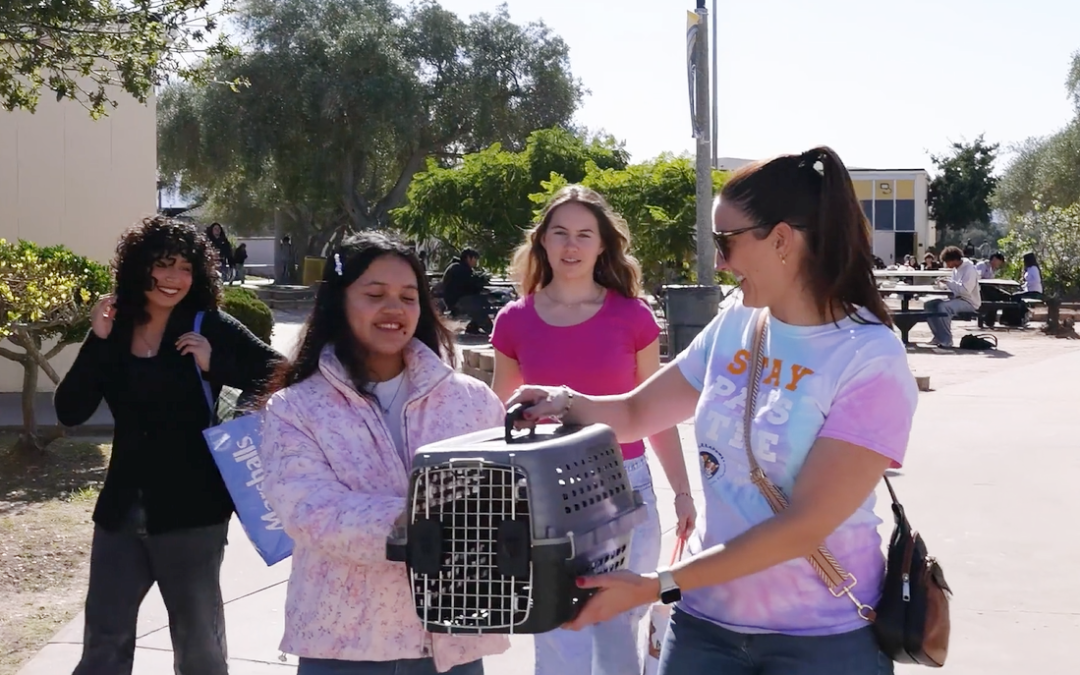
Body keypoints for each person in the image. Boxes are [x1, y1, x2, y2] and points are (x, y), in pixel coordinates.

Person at [506, 147, 917, 674]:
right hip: (705, 629)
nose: (719, 262)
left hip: (821, 638)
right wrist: (564, 402)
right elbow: (636, 412)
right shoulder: (736, 324)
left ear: (782, 239)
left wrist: (658, 585)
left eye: (726, 242)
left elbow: (804, 526)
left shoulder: (869, 357)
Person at [259, 232, 510, 675]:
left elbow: (502, 500)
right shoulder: (295, 408)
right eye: (375, 294)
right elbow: (309, 510)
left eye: (408, 297)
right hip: (345, 644)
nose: (394, 309)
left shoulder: (471, 400)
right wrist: (422, 520)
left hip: (451, 639)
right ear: (339, 301)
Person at [55, 216, 284, 675]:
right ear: (140, 269)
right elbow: (69, 410)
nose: (173, 279)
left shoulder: (209, 325)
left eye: (184, 268)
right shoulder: (115, 330)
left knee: (198, 648)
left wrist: (215, 364)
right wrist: (95, 341)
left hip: (193, 513)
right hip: (120, 512)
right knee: (104, 643)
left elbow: (280, 371)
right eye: (163, 265)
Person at [489, 185, 697, 675]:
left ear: (604, 245)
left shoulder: (633, 316)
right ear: (542, 241)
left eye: (585, 234)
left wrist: (683, 493)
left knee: (619, 631)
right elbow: (494, 416)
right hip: (545, 496)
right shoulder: (514, 320)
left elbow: (654, 413)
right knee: (559, 632)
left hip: (626, 487)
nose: (571, 245)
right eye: (560, 233)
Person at [925, 246, 981, 348]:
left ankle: (947, 340)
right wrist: (944, 286)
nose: (947, 265)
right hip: (957, 299)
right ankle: (938, 336)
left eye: (948, 262)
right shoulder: (956, 269)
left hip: (969, 302)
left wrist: (949, 283)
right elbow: (954, 287)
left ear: (954, 260)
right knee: (929, 305)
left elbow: (965, 290)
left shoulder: (969, 269)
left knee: (944, 307)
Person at [442, 248, 493, 334]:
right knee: (478, 305)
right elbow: (470, 285)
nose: (476, 262)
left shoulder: (460, 267)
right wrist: (481, 281)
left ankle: (473, 327)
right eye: (475, 259)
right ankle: (491, 329)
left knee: (482, 301)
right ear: (468, 258)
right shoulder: (459, 269)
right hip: (456, 300)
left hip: (459, 298)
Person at [1001, 251, 1043, 327]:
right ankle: (1011, 319)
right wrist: (1023, 286)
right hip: (1029, 290)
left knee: (1015, 297)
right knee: (1012, 297)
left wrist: (1027, 285)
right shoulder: (1029, 269)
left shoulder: (1033, 269)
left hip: (1034, 292)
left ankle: (1019, 317)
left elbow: (1036, 280)